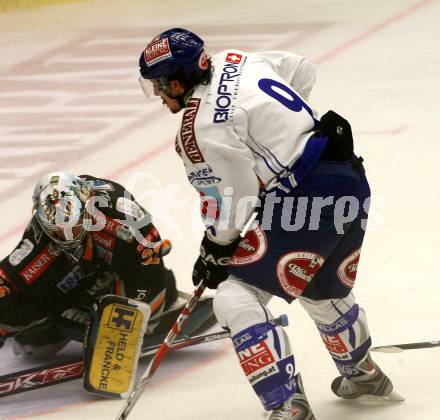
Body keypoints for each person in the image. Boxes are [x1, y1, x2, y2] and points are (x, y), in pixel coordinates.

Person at [138, 28, 396, 419]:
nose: (158, 95)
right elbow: (301, 69)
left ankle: (286, 404)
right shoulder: (236, 59)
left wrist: (216, 247)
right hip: (347, 177)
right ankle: (362, 374)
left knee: (234, 296)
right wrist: (286, 138)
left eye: (158, 87)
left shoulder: (198, 128)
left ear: (175, 82)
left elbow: (234, 193)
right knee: (315, 285)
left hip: (306, 199)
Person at [0, 172, 177, 358]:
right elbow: (8, 280)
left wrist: (136, 314)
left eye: (73, 225)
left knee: (148, 307)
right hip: (80, 286)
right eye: (58, 231)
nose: (69, 236)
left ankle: (144, 303)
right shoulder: (38, 238)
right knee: (32, 345)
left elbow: (149, 263)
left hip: (122, 272)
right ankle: (80, 313)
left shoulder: (118, 212)